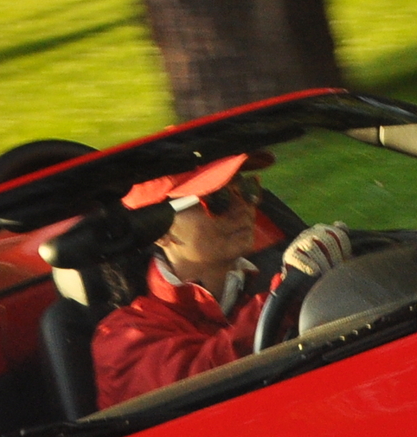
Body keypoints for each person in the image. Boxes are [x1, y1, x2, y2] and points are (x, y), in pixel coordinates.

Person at [90, 154, 351, 409]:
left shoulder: (258, 287)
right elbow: (203, 385)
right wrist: (290, 291)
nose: (244, 207)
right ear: (158, 231)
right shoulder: (121, 338)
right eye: (217, 199)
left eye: (246, 189)